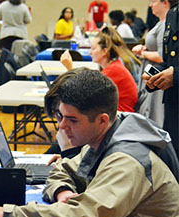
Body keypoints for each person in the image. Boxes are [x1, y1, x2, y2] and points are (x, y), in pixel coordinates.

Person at [0, 68, 179, 217]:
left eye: (72, 120)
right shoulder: (110, 134)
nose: (62, 127)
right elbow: (62, 169)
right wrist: (62, 191)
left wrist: (5, 214)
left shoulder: (126, 160)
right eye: (61, 116)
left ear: (102, 120)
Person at [60, 28, 138, 112]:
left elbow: (84, 92)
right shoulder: (113, 67)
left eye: (93, 49)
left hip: (119, 116)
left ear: (104, 51)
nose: (90, 52)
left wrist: (69, 68)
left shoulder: (113, 69)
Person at [143, 0, 179, 156]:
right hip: (174, 104)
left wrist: (176, 76)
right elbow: (170, 60)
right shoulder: (173, 13)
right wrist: (155, 76)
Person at [132, 0, 171, 127]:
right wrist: (144, 48)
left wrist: (143, 54)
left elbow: (162, 57)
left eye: (153, 1)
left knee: (156, 114)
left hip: (158, 74)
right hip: (152, 73)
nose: (150, 5)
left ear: (165, 3)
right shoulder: (160, 23)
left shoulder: (166, 24)